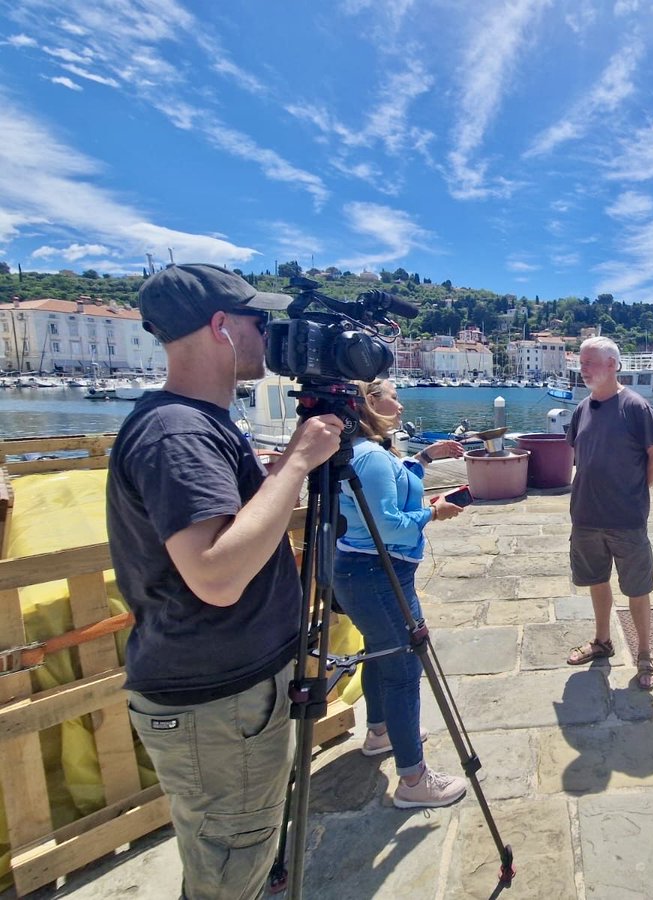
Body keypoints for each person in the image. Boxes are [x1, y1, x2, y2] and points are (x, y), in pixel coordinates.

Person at [107, 264, 343, 900]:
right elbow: (214, 576)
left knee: (238, 857)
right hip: (218, 704)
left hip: (225, 694)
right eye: (257, 321)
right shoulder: (178, 431)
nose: (269, 334)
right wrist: (296, 462)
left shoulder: (191, 422)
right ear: (221, 328)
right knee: (230, 874)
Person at [332, 378, 470, 808]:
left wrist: (425, 456)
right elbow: (388, 524)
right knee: (405, 669)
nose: (400, 402)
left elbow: (390, 489)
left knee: (380, 653)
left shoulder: (366, 450)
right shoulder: (370, 456)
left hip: (366, 571)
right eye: (393, 395)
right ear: (369, 402)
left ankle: (380, 732)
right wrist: (434, 511)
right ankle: (413, 780)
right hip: (378, 572)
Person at [564, 336, 653, 690]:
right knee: (596, 580)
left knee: (637, 588)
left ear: (613, 365)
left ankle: (644, 654)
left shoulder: (635, 407)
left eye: (590, 362)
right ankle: (602, 641)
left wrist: (634, 492)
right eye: (582, 363)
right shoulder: (581, 409)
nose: (583, 369)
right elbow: (579, 459)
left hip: (626, 520)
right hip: (586, 518)